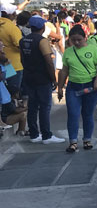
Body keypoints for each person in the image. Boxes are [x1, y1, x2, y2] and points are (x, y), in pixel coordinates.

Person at [57, 25, 97, 152]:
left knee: (87, 114)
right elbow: (64, 71)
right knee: (73, 114)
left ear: (85, 38)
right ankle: (73, 141)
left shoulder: (93, 49)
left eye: (79, 40)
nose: (77, 43)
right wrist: (60, 87)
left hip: (91, 87)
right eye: (74, 40)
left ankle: (87, 139)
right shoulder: (68, 52)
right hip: (73, 87)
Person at [20, 16, 63, 144]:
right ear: (42, 27)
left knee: (32, 106)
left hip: (28, 76)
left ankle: (34, 134)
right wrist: (54, 79)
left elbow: (22, 59)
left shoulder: (23, 40)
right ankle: (46, 135)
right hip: (42, 77)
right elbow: (49, 62)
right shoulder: (42, 41)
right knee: (45, 106)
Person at [0, 3, 24, 94]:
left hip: (3, 63)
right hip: (13, 65)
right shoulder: (12, 28)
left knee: (4, 89)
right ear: (9, 14)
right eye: (14, 12)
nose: (15, 14)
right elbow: (20, 45)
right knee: (13, 89)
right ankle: (13, 105)